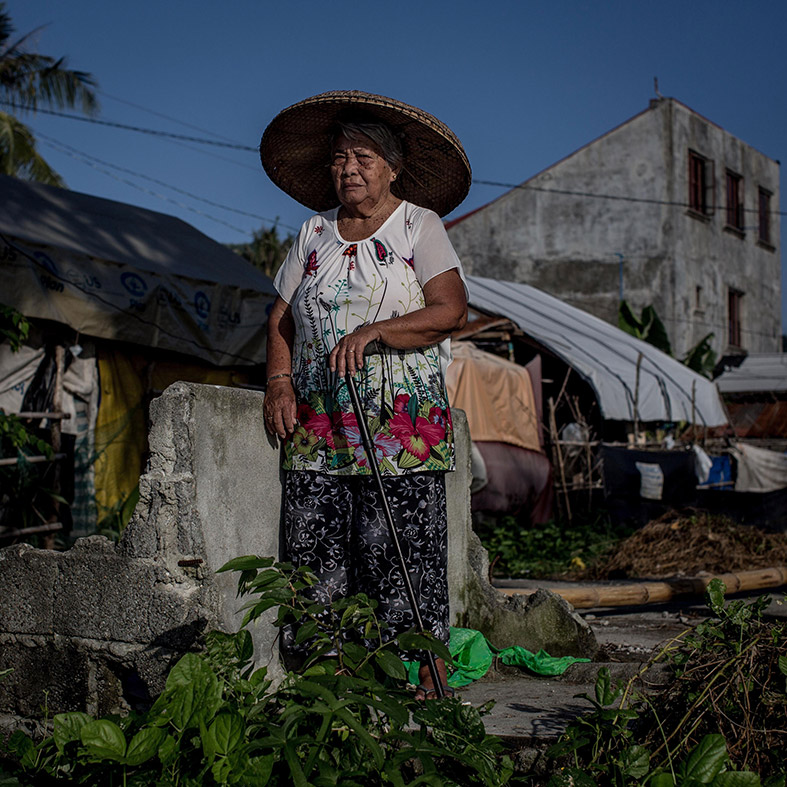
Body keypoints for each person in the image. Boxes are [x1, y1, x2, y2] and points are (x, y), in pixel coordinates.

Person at [259, 91, 471, 699]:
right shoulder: (312, 233)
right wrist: (278, 381)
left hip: (398, 427)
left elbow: (450, 310)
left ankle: (423, 676)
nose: (348, 167)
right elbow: (280, 319)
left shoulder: (418, 225)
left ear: (394, 167)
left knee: (402, 550)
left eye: (365, 156)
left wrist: (376, 330)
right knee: (314, 552)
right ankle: (327, 680)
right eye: (340, 156)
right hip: (321, 425)